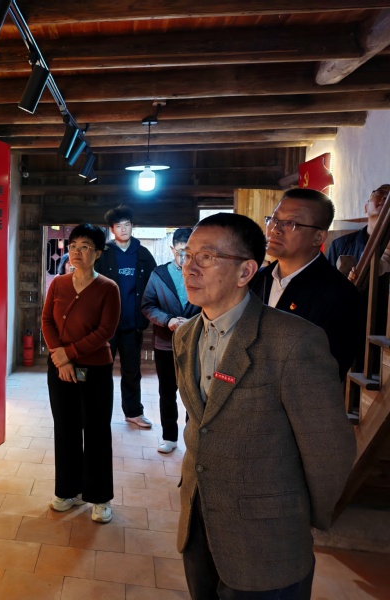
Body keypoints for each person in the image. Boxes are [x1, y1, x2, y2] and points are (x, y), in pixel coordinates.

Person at [174, 212, 355, 599]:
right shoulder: (185, 335)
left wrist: (299, 519)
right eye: (187, 255)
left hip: (268, 539)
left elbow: (329, 449)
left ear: (245, 272)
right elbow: (201, 422)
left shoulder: (293, 341)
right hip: (198, 520)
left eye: (206, 257)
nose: (190, 267)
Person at [42, 223, 121, 524]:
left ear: (97, 253)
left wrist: (70, 354)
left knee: (97, 430)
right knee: (66, 428)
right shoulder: (58, 284)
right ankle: (68, 491)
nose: (77, 252)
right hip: (59, 367)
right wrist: (60, 359)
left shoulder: (108, 288)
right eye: (73, 246)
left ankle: (100, 498)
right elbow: (47, 321)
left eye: (85, 247)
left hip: (95, 368)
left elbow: (105, 331)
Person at [250, 188, 363, 380]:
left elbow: (328, 372)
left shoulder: (340, 295)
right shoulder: (255, 280)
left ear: (318, 237)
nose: (275, 229)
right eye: (274, 219)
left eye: (291, 223)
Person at [95, 205, 156, 428]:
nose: (123, 229)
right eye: (118, 225)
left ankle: (133, 412)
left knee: (132, 371)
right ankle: (99, 412)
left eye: (127, 224)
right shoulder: (103, 253)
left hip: (132, 324)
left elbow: (153, 285)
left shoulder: (143, 254)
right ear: (112, 229)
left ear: (132, 226)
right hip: (106, 326)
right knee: (102, 370)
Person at [141, 228, 200, 454]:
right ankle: (169, 437)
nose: (185, 257)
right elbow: (148, 305)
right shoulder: (159, 274)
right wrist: (168, 320)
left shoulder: (203, 272)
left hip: (196, 342)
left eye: (190, 252)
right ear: (172, 249)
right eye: (181, 251)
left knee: (193, 392)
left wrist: (193, 321)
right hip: (165, 343)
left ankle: (192, 439)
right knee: (167, 391)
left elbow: (212, 304)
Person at [326, 184, 390, 278]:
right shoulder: (339, 245)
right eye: (380, 193)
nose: (386, 197)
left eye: (389, 195)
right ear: (366, 207)